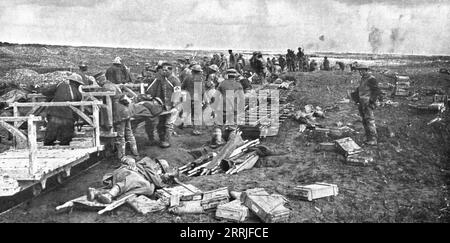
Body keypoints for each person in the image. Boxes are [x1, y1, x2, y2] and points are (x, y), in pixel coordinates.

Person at [89, 156, 177, 204]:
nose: (158, 167)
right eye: (159, 165)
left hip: (128, 179)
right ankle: (110, 195)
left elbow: (159, 184)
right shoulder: (148, 162)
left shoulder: (155, 177)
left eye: (161, 169)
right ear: (157, 163)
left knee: (149, 188)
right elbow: (158, 182)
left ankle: (97, 192)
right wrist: (130, 160)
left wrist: (167, 177)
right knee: (136, 179)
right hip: (127, 172)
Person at [97, 73, 139, 159]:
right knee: (129, 133)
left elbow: (103, 101)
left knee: (120, 136)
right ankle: (136, 154)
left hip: (119, 113)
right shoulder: (112, 85)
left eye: (98, 81)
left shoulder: (105, 87)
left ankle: (121, 157)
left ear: (99, 80)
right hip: (126, 111)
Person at [40, 73, 83, 146]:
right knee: (65, 141)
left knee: (49, 140)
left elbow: (46, 92)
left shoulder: (60, 85)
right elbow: (76, 109)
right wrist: (76, 120)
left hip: (54, 116)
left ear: (70, 81)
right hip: (68, 119)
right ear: (78, 84)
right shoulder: (79, 94)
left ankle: (48, 149)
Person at [146, 62, 182, 148]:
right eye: (163, 70)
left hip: (173, 106)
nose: (164, 71)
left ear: (171, 70)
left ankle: (167, 141)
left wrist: (174, 105)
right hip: (164, 106)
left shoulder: (175, 80)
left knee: (168, 124)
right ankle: (162, 139)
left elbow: (177, 94)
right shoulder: (162, 79)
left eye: (166, 70)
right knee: (161, 123)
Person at [351, 64, 382, 145]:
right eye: (359, 70)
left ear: (366, 70)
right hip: (362, 103)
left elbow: (377, 91)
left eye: (362, 70)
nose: (360, 72)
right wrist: (355, 96)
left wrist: (371, 101)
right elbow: (361, 90)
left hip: (367, 103)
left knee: (370, 120)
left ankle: (373, 139)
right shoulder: (363, 79)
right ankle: (368, 138)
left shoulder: (371, 79)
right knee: (364, 121)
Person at [181, 64, 205, 135]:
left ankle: (182, 124)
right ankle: (195, 130)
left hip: (188, 98)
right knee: (196, 114)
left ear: (192, 71)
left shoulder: (187, 77)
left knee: (186, 112)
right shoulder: (200, 78)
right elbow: (202, 90)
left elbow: (182, 87)